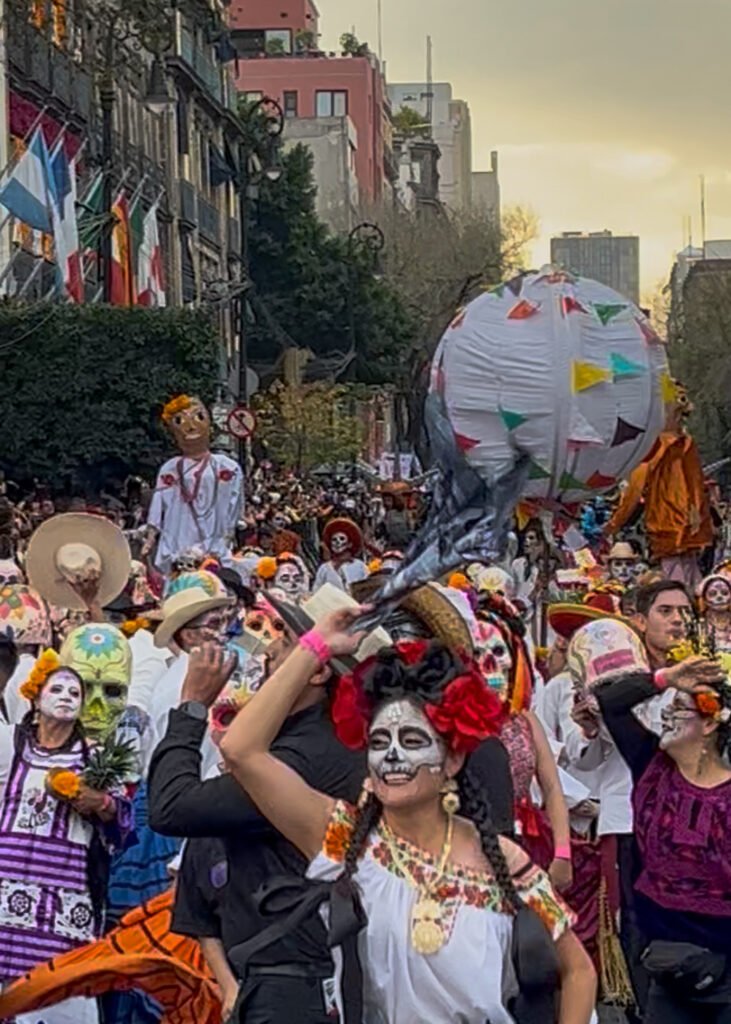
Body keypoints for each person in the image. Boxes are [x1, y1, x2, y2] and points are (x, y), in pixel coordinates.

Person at [220, 609, 596, 1024]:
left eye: (413, 739)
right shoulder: (346, 838)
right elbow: (241, 750)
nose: (393, 755)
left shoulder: (503, 861)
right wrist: (315, 646)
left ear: (451, 760)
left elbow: (577, 970)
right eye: (380, 741)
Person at [148, 611, 366, 1024]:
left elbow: (171, 806)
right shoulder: (304, 741)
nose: (266, 651)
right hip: (275, 976)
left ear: (317, 672)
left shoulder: (303, 754)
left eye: (283, 643)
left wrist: (193, 706)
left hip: (292, 984)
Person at [596, 650, 731, 1023]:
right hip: (666, 969)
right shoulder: (651, 766)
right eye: (666, 709)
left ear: (709, 725)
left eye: (680, 709)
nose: (666, 716)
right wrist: (666, 679)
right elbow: (611, 703)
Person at [0, 649, 132, 1024]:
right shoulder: (11, 745)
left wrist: (101, 803)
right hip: (4, 886)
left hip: (63, 900)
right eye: (57, 689)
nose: (66, 698)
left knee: (56, 990)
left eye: (75, 693)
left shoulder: (97, 758)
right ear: (35, 697)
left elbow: (124, 827)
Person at [475, 594, 573, 891]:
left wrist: (563, 852)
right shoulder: (453, 724)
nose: (489, 662)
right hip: (474, 844)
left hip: (530, 842)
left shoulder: (526, 720)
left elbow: (553, 788)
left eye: (497, 651)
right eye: (476, 653)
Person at [144, 395, 244, 576]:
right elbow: (159, 502)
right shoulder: (171, 468)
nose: (190, 427)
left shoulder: (227, 466)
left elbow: (234, 503)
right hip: (178, 538)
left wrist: (228, 534)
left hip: (214, 538)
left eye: (198, 417)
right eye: (180, 421)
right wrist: (151, 535)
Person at [313, 518, 368, 593]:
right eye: (334, 540)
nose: (337, 542)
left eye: (342, 539)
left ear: (349, 544)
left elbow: (367, 590)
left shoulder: (360, 566)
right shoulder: (324, 568)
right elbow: (316, 591)